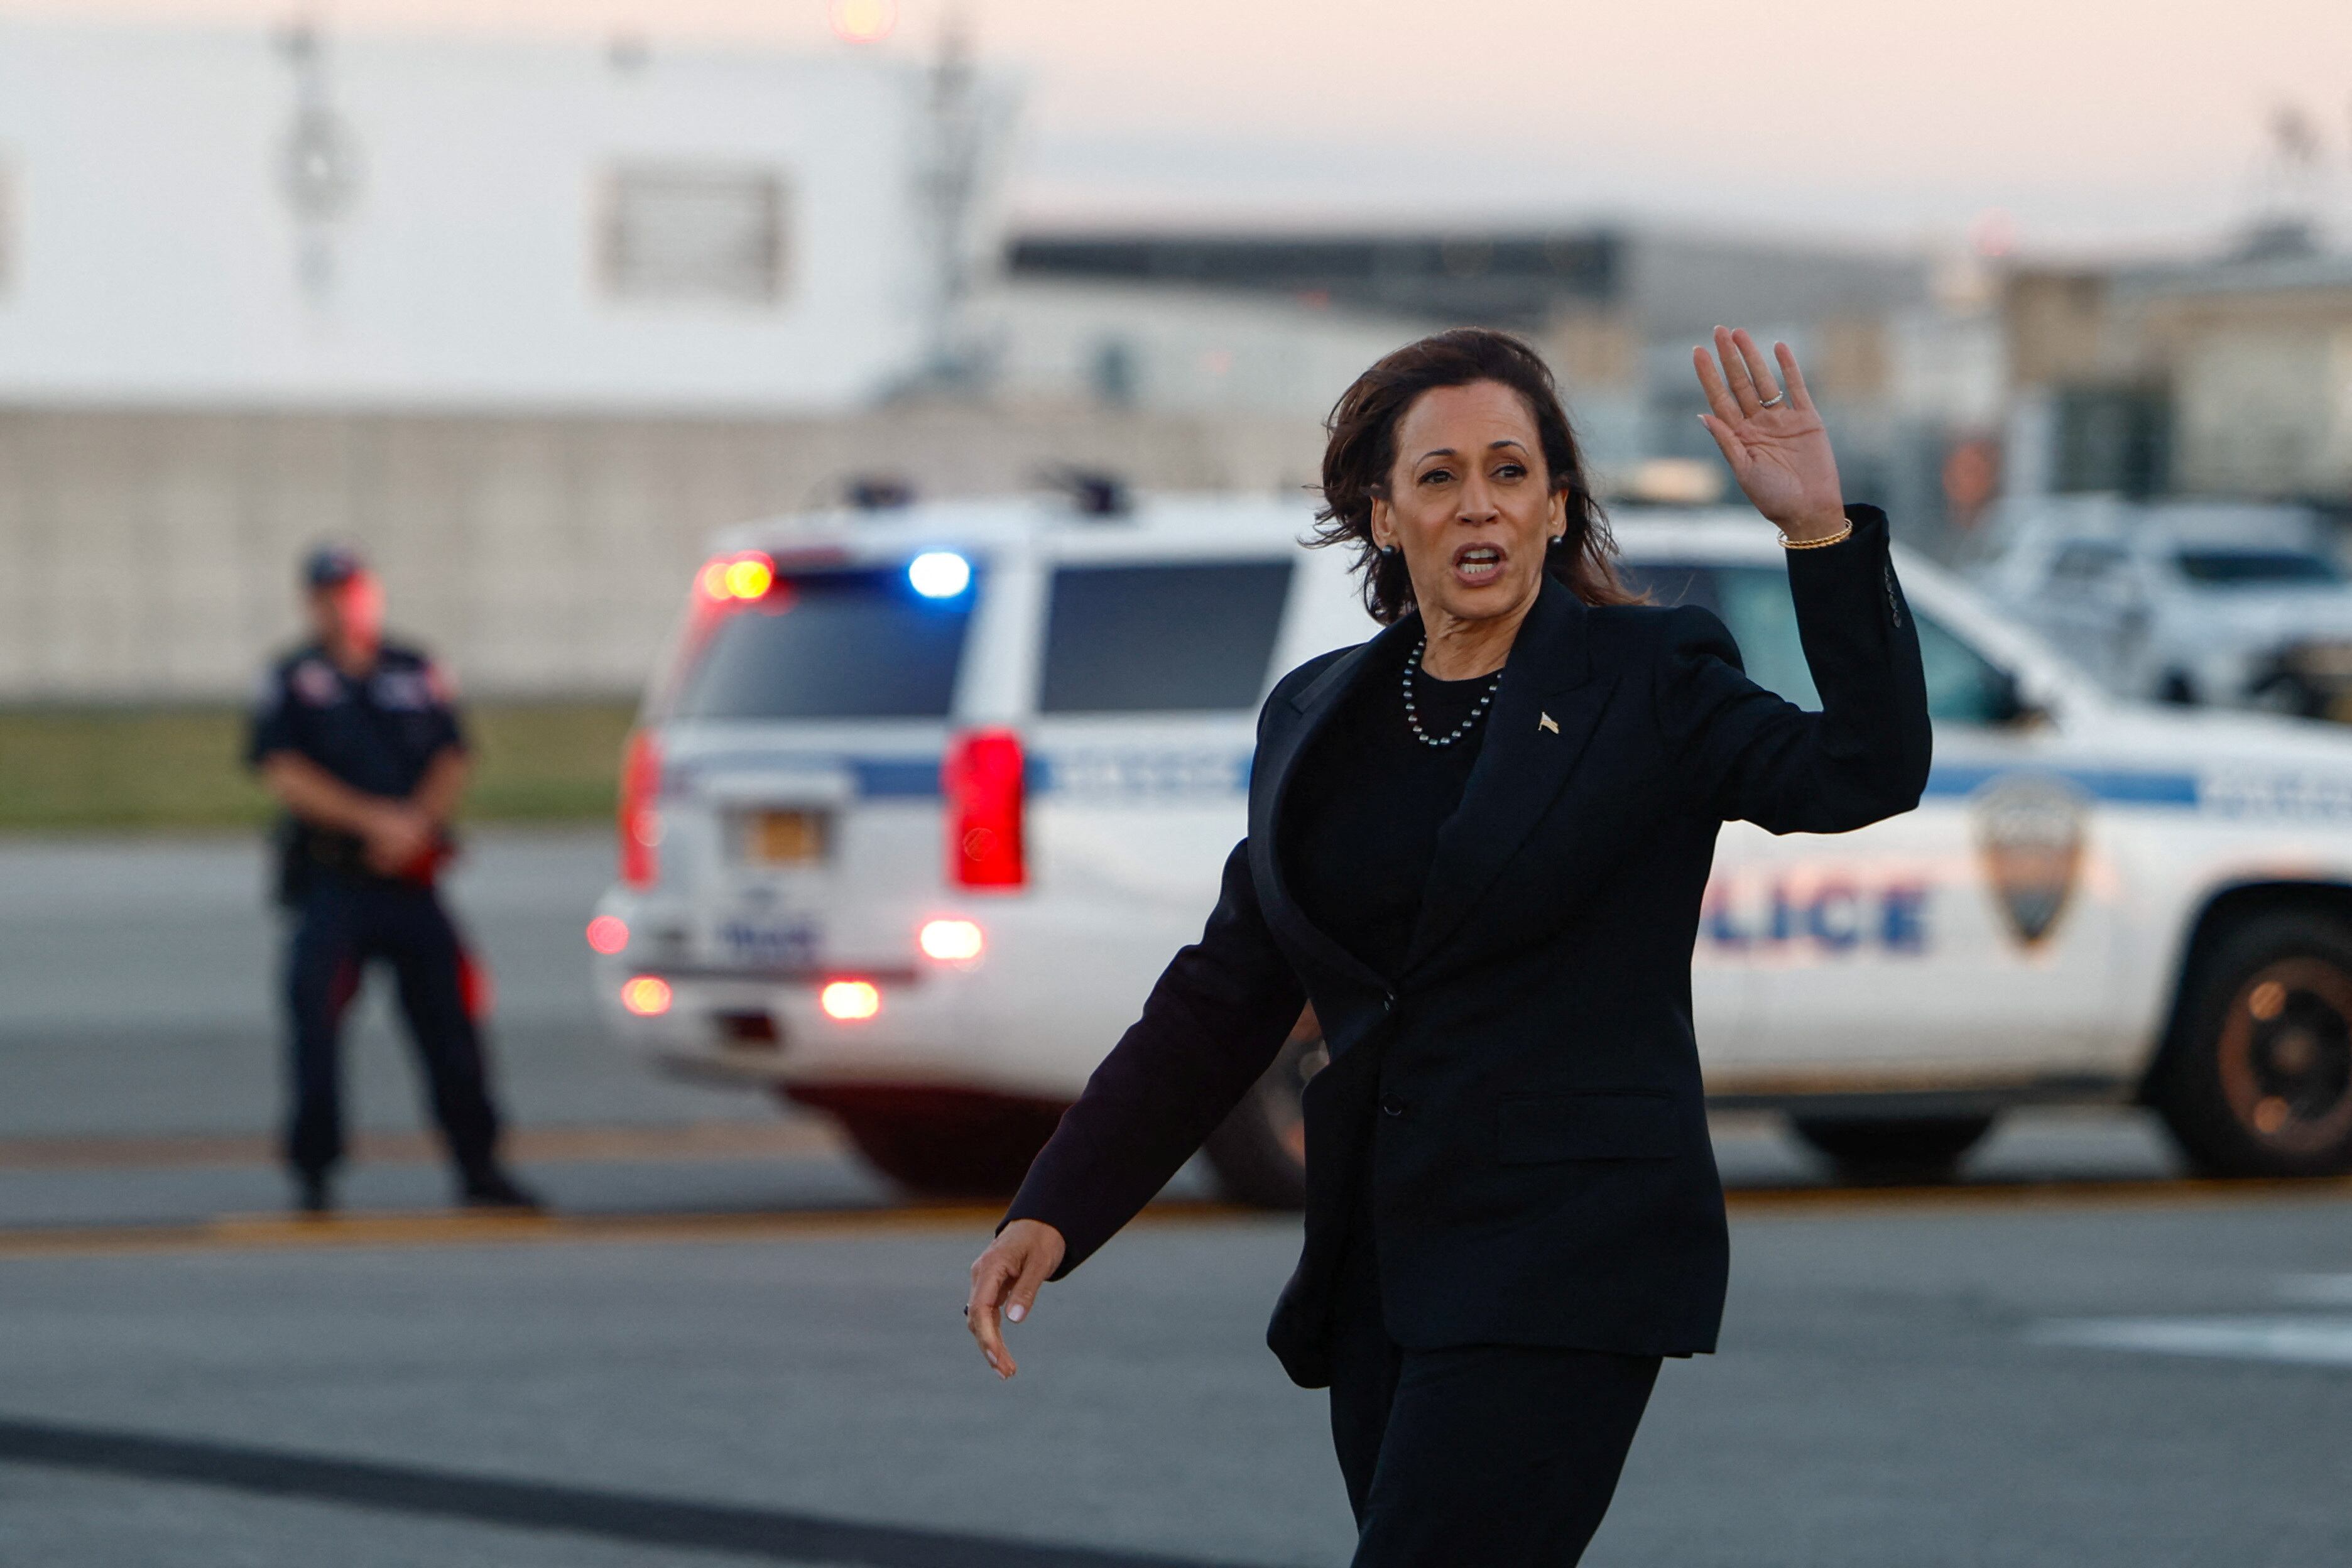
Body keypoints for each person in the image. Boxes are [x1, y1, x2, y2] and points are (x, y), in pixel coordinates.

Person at [966, 327, 1932, 1563]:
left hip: (1567, 1254)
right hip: (1385, 1266)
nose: (1478, 504)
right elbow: (1222, 997)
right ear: (1383, 514)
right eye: (1438, 476)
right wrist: (1056, 1209)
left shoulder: (1647, 679)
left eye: (1510, 472)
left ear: (1555, 505)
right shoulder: (1319, 716)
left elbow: (1867, 770)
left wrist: (1818, 535)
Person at [247, 545, 538, 1216]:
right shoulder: (293, 679)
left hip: (411, 883)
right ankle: (314, 1175)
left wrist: (414, 826)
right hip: (334, 882)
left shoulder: (415, 669)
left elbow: (452, 754)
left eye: (351, 591)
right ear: (309, 602)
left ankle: (479, 1166)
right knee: (314, 1027)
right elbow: (283, 770)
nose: (340, 605)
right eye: (326, 594)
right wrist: (373, 822)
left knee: (452, 1027)